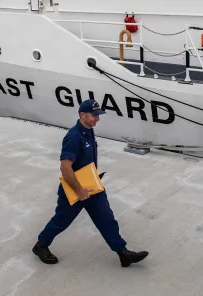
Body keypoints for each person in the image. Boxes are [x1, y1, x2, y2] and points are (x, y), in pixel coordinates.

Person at [33, 99, 148, 267]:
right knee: (61, 221)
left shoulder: (88, 130)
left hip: (92, 186)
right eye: (94, 116)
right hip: (74, 189)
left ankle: (123, 253)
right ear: (82, 115)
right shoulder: (73, 137)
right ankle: (40, 245)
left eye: (98, 115)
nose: (97, 119)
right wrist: (79, 191)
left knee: (106, 218)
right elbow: (65, 168)